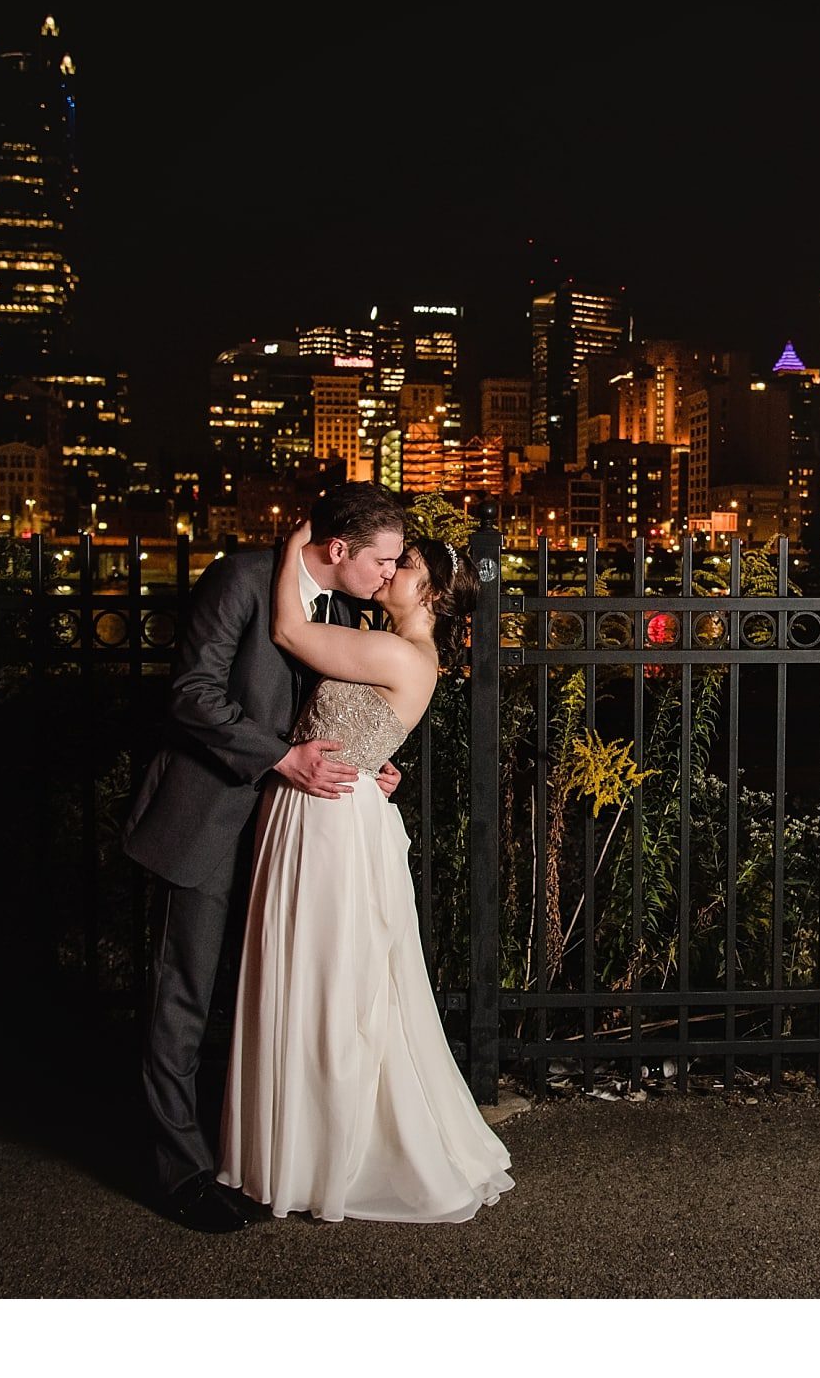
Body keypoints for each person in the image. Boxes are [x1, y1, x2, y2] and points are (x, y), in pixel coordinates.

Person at [122, 482, 407, 1233]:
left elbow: (337, 709)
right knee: (182, 995)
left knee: (266, 997)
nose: (389, 574)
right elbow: (192, 693)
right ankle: (178, 1173)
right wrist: (281, 758)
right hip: (209, 815)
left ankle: (250, 1158)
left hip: (294, 831)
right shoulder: (241, 577)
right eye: (382, 560)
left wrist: (371, 763)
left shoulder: (345, 604)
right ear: (339, 549)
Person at [216, 518, 513, 1223]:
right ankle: (303, 1145)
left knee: (323, 976)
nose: (388, 572)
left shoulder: (401, 652)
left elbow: (289, 632)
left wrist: (295, 547)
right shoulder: (394, 645)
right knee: (320, 973)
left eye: (402, 567)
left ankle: (316, 1152)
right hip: (328, 804)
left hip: (330, 817)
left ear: (430, 593)